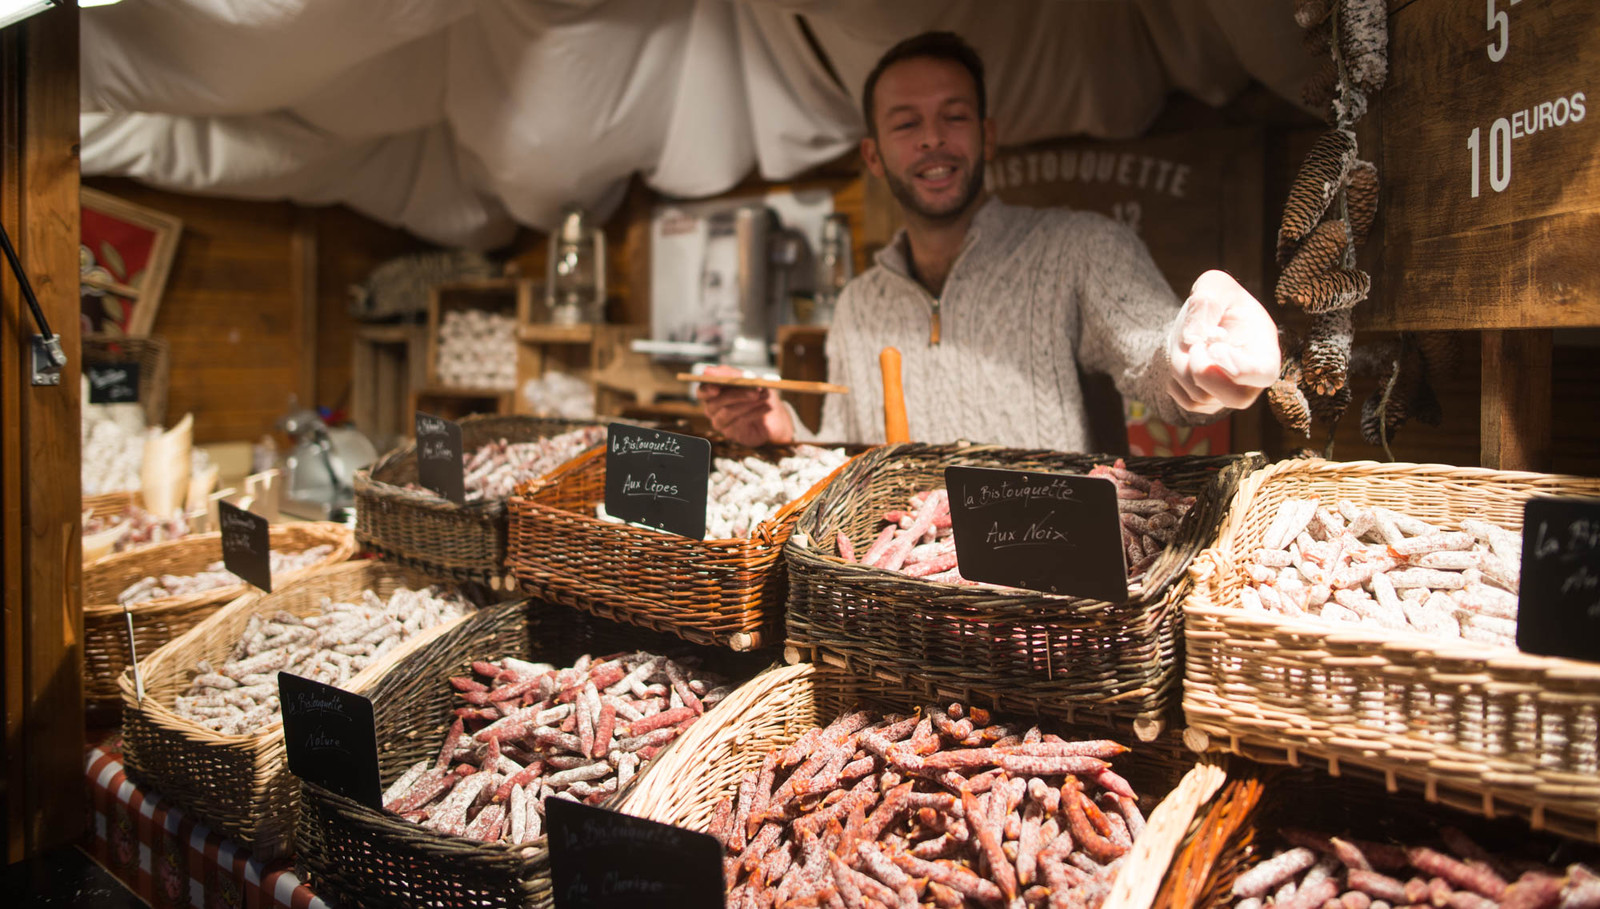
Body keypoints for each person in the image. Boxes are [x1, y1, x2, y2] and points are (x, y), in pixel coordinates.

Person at [700, 31, 1279, 449]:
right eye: (906, 123)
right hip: (894, 582)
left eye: (953, 116)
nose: (932, 138)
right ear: (873, 156)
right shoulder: (858, 305)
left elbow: (1151, 353)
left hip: (1049, 575)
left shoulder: (1081, 248)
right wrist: (784, 431)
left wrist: (1196, 361)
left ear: (987, 136)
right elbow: (846, 453)